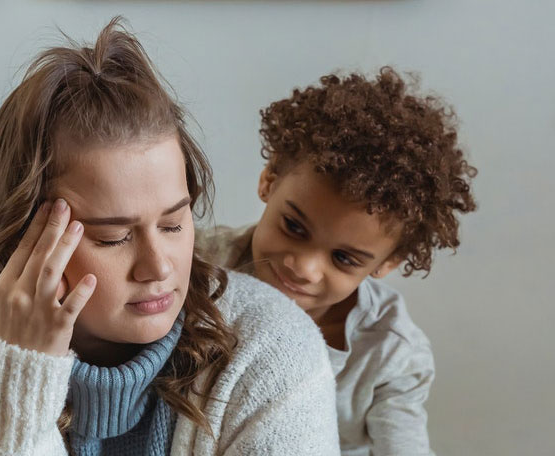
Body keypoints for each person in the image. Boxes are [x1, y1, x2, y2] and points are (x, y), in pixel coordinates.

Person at [0, 17, 340, 455]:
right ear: (19, 237)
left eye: (174, 224)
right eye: (113, 237)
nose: (159, 266)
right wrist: (17, 381)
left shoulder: (272, 351)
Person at [198, 68, 478, 456]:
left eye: (344, 258)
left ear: (388, 262)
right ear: (270, 180)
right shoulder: (200, 263)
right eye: (294, 227)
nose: (304, 268)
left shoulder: (391, 352)